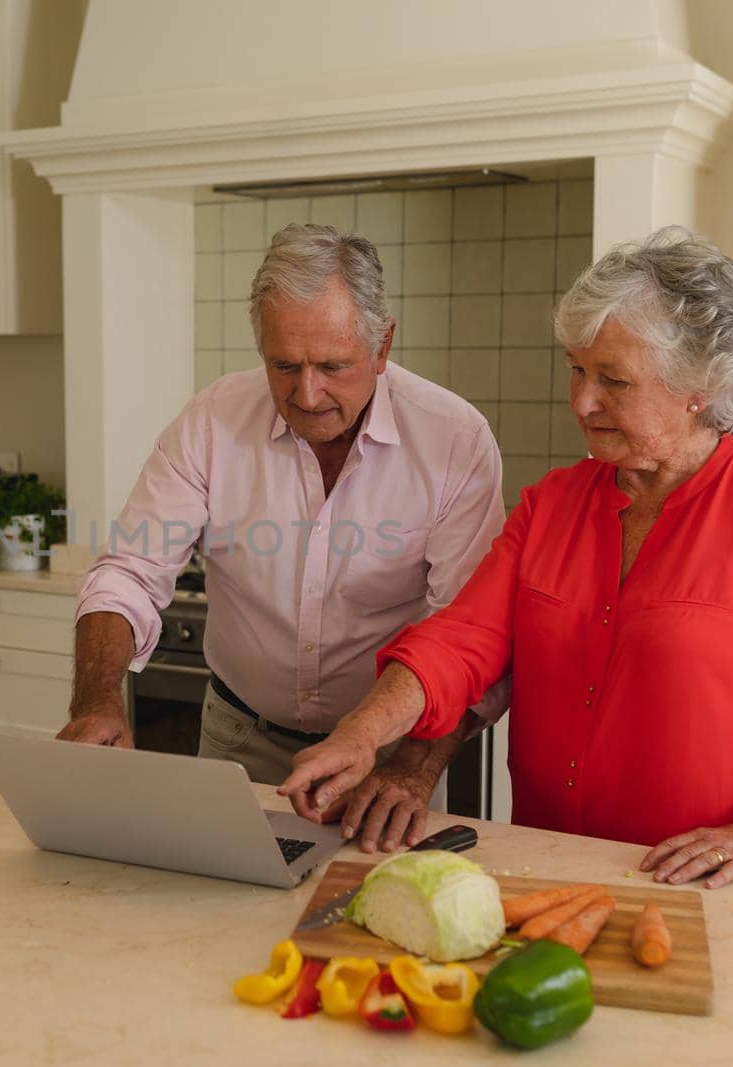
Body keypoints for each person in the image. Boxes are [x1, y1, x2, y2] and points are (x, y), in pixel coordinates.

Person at [279, 226, 733, 888]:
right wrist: (361, 734)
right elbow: (458, 644)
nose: (582, 401)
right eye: (576, 369)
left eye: (613, 379)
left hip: (703, 893)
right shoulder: (551, 504)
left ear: (698, 385)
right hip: (544, 873)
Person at [60, 223, 508, 852]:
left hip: (389, 757)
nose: (306, 394)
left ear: (383, 345)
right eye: (284, 365)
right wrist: (97, 698)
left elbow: (467, 634)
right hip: (236, 741)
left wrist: (412, 768)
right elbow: (129, 571)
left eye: (333, 366)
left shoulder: (453, 439)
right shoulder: (213, 420)